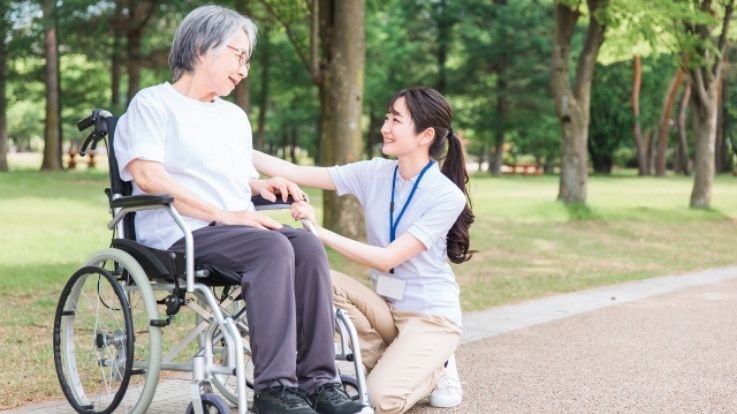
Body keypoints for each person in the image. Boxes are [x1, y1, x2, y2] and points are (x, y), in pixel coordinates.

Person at [113, 6, 369, 414]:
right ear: (201, 49)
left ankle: (320, 382)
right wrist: (226, 214)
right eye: (238, 55)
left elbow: (232, 178)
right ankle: (275, 390)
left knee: (305, 246)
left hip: (235, 231)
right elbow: (148, 177)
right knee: (271, 249)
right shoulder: (153, 104)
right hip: (179, 233)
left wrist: (260, 186)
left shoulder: (233, 117)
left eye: (247, 59)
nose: (244, 69)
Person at [253, 87, 475, 414]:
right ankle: (410, 359)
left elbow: (388, 258)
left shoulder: (446, 196)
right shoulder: (375, 173)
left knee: (381, 400)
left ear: (425, 135)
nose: (385, 126)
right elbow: (296, 172)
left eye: (396, 120)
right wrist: (233, 144)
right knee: (318, 280)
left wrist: (318, 230)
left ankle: (436, 366)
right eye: (387, 117)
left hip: (429, 316)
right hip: (385, 307)